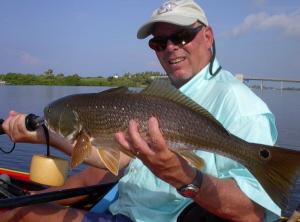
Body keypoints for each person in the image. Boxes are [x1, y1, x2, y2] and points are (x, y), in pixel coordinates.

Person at [1, 0, 280, 221]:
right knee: (87, 179)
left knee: (15, 213)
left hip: (149, 217)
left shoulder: (242, 107)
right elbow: (122, 161)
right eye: (158, 43)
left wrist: (184, 176)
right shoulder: (169, 96)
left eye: (181, 36)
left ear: (208, 36)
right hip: (126, 204)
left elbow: (254, 212)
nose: (170, 48)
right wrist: (44, 137)